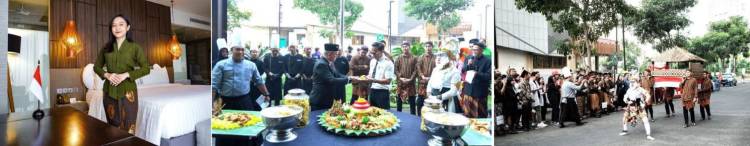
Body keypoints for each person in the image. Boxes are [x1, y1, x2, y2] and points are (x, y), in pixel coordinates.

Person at [94, 14, 150, 134]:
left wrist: (127, 75)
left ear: (128, 27)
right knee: (112, 126)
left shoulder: (135, 47)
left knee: (129, 127)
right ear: (111, 29)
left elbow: (146, 69)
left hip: (129, 92)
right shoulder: (106, 48)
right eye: (114, 25)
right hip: (109, 91)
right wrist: (107, 75)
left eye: (121, 24)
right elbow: (96, 67)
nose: (117, 28)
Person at [309, 44, 356, 110]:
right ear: (330, 54)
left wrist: (351, 78)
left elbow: (337, 74)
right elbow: (331, 80)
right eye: (335, 54)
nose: (336, 56)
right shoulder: (321, 64)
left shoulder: (329, 63)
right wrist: (349, 79)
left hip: (327, 99)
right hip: (320, 100)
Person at [460, 42, 492, 118]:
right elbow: (463, 70)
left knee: (480, 115)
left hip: (480, 93)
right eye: (473, 49)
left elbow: (488, 76)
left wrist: (477, 74)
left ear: (482, 50)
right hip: (468, 91)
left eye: (476, 50)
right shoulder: (468, 58)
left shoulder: (488, 60)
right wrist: (468, 65)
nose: (474, 51)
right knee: (467, 114)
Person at [367, 42, 395, 109]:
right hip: (372, 90)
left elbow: (388, 81)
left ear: (382, 51)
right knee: (372, 114)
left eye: (375, 52)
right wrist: (366, 77)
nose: (373, 54)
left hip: (382, 92)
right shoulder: (372, 61)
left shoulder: (388, 63)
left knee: (384, 114)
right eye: (372, 52)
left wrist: (373, 80)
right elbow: (371, 75)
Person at [395, 42, 418, 114]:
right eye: (403, 46)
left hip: (411, 83)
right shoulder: (398, 58)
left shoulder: (414, 58)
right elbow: (395, 69)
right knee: (399, 101)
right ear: (401, 48)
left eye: (406, 46)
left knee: (412, 101)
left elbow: (416, 70)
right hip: (401, 83)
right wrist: (400, 77)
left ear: (409, 47)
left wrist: (411, 79)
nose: (405, 48)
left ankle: (413, 117)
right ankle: (399, 116)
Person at [416, 42, 436, 116]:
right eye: (426, 46)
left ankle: (430, 117)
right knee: (420, 102)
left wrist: (431, 78)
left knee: (431, 101)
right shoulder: (421, 57)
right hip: (422, 83)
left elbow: (437, 69)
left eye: (429, 46)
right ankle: (418, 117)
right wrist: (422, 76)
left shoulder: (436, 57)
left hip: (432, 83)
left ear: (432, 47)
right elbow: (418, 68)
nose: (428, 48)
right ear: (425, 47)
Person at [501, 68, 520, 133]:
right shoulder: (508, 82)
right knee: (510, 115)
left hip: (513, 101)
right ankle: (510, 128)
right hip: (509, 102)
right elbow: (511, 93)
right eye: (513, 71)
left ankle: (512, 128)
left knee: (513, 115)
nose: (515, 72)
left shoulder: (512, 82)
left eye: (515, 71)